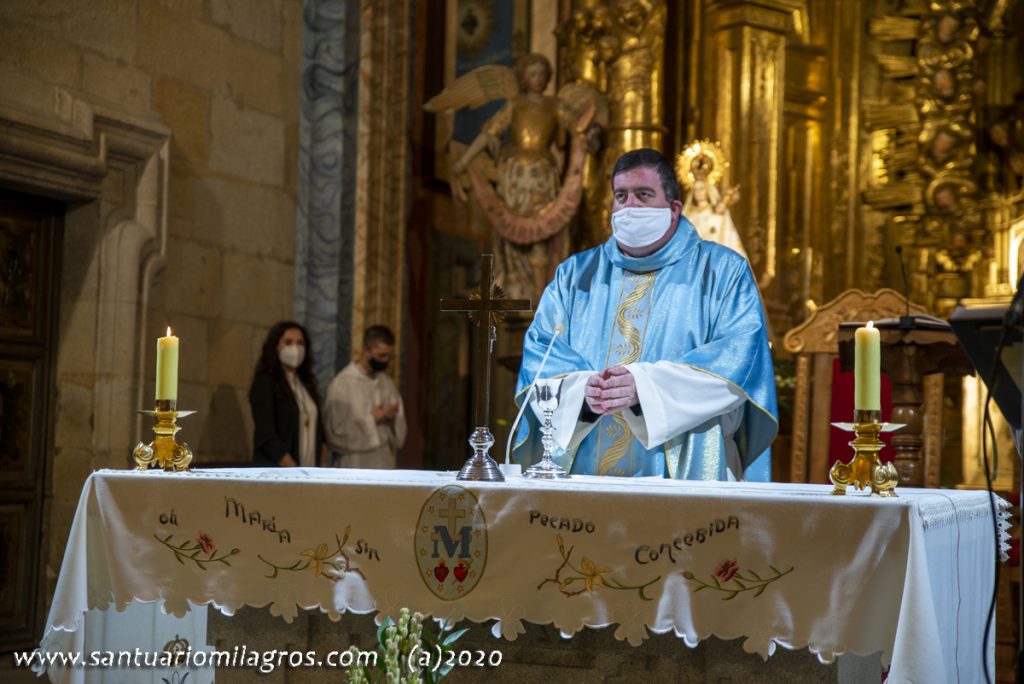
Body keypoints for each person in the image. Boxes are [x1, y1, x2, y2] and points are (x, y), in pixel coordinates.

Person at [512, 148, 778, 481]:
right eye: (620, 196)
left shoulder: (724, 272)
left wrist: (644, 388)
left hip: (687, 470)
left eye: (643, 195)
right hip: (584, 472)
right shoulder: (575, 275)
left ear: (673, 208)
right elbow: (540, 353)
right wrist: (583, 392)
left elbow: (739, 363)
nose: (629, 207)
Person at [323, 325, 407, 469]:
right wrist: (374, 418)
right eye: (381, 355)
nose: (386, 361)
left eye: (389, 356)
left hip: (384, 462)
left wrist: (392, 419)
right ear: (366, 351)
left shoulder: (387, 383)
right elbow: (334, 434)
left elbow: (399, 437)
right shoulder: (342, 384)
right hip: (353, 464)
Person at [249, 321, 327, 467]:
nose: (295, 348)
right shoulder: (265, 383)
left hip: (310, 471)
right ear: (276, 346)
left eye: (300, 343)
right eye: (289, 342)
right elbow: (266, 434)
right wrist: (293, 470)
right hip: (281, 472)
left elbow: (320, 432)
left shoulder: (306, 384)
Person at [683, 177, 748, 260]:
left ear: (707, 190)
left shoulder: (715, 211)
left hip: (712, 256)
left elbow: (723, 233)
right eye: (695, 189)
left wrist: (725, 202)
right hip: (693, 257)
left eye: (701, 189)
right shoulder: (689, 215)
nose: (698, 192)